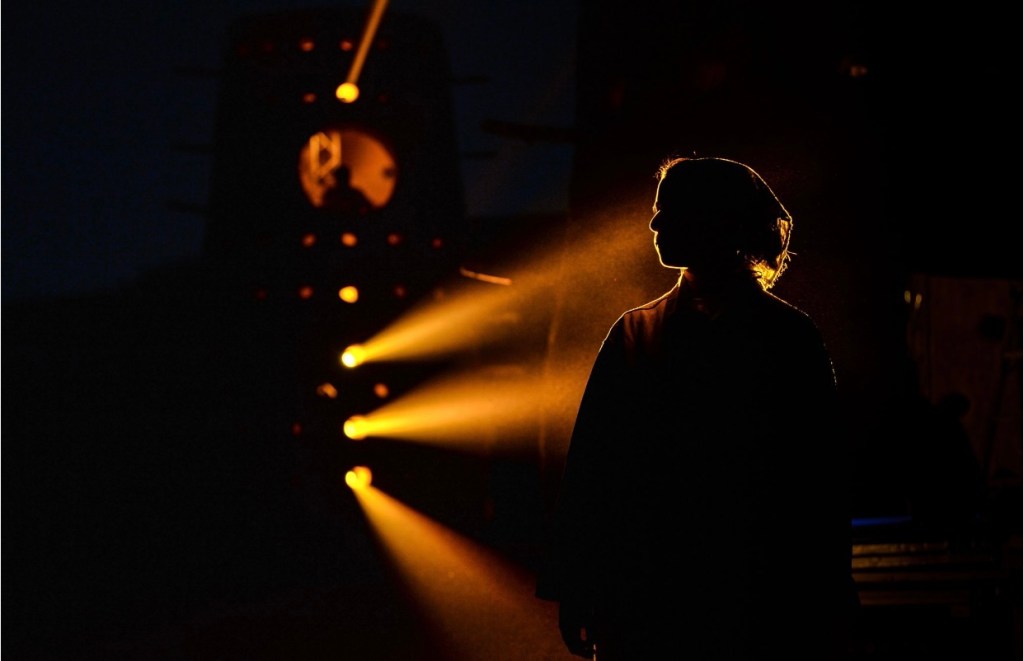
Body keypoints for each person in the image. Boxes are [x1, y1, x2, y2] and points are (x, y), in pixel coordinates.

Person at [537, 157, 858, 659]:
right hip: (724, 597)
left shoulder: (641, 333)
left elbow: (819, 481)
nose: (654, 224)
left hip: (716, 598)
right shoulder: (786, 336)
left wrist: (578, 584)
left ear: (716, 220)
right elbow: (594, 468)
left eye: (669, 211)